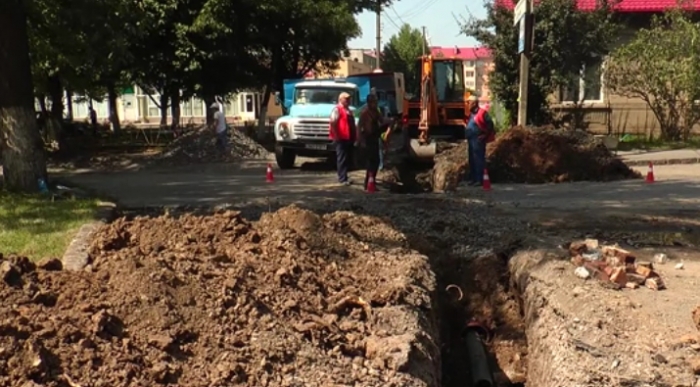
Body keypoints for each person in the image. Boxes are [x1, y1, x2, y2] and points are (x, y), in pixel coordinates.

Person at [465, 95, 495, 186]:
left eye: (469, 102)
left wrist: (484, 136)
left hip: (478, 141)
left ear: (474, 103)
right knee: (472, 160)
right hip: (471, 140)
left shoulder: (482, 113)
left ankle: (479, 180)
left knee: (478, 160)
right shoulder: (471, 114)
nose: (467, 104)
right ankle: (473, 179)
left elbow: (490, 125)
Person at [329, 92, 358, 186]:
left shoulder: (348, 110)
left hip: (348, 138)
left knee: (347, 158)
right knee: (341, 158)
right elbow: (333, 122)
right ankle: (342, 178)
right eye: (346, 99)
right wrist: (336, 135)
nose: (348, 100)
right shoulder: (337, 109)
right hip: (341, 138)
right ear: (340, 99)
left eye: (349, 99)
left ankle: (345, 177)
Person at [358, 94, 385, 191]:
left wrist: (388, 122)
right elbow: (359, 127)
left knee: (376, 161)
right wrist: (360, 140)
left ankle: (371, 181)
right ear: (369, 102)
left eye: (376, 102)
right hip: (367, 139)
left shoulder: (376, 112)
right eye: (374, 102)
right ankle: (368, 183)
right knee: (370, 162)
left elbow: (382, 120)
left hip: (374, 138)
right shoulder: (365, 113)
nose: (375, 103)